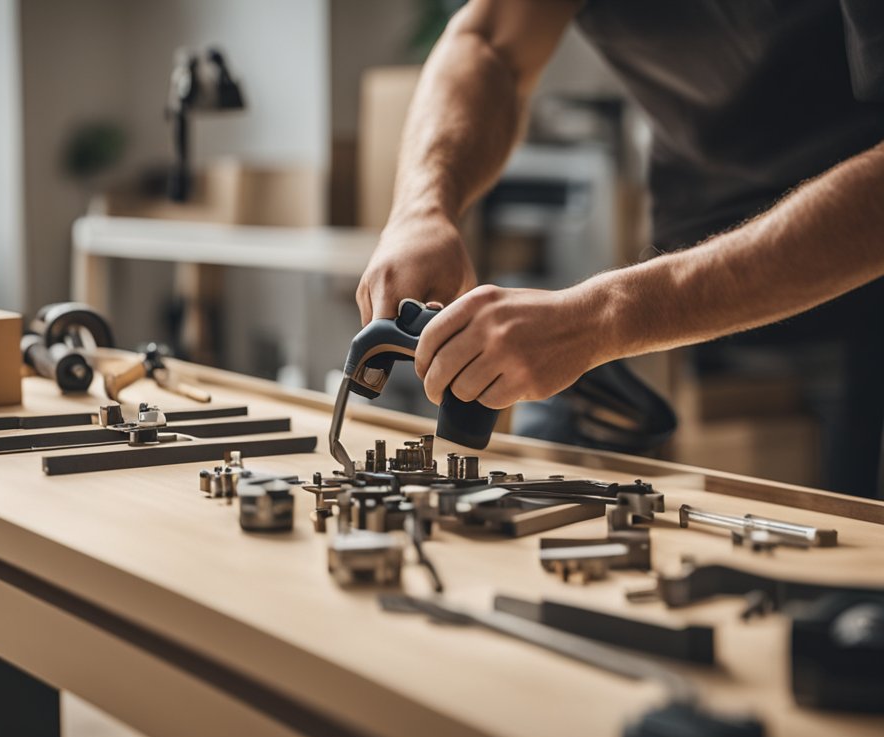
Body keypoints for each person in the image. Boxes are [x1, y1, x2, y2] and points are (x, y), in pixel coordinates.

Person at [357, 0, 884, 496]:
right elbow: (490, 43)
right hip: (702, 266)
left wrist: (604, 318)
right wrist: (420, 209)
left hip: (858, 277)